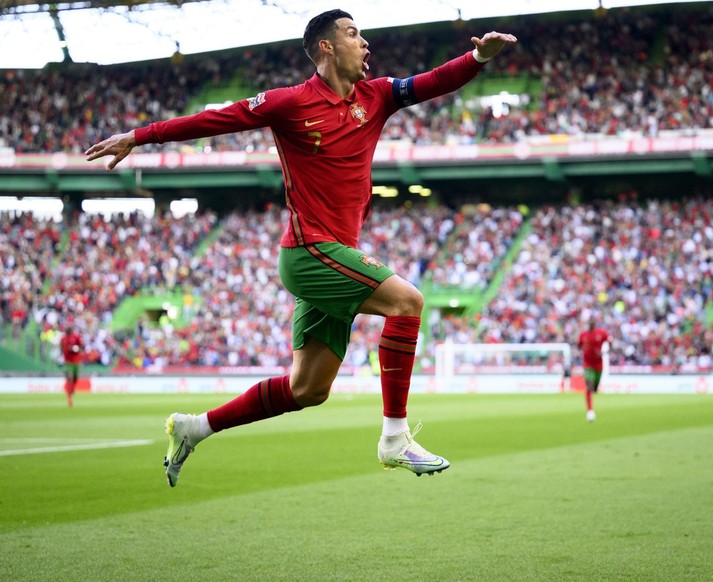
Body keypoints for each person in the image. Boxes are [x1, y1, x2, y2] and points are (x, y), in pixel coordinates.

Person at [86, 9, 516, 487]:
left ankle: (195, 427)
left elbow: (433, 81)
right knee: (408, 302)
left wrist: (478, 57)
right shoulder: (289, 103)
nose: (365, 43)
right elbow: (215, 119)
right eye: (354, 34)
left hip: (333, 256)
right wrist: (140, 136)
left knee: (308, 389)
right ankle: (395, 438)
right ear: (326, 48)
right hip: (309, 251)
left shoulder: (376, 96)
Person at [577, 318, 609, 422]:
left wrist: (604, 352)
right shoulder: (583, 335)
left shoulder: (601, 333)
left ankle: (594, 389)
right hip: (588, 364)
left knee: (594, 388)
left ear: (595, 324)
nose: (591, 323)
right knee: (589, 386)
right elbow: (578, 346)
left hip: (599, 364)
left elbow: (609, 343)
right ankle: (590, 411)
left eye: (592, 322)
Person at [59, 325, 84, 407]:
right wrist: (62, 354)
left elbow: (82, 346)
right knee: (69, 377)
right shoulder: (63, 339)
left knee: (75, 379)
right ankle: (69, 398)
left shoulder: (76, 337)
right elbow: (61, 348)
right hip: (68, 362)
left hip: (76, 362)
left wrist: (75, 349)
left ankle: (71, 390)